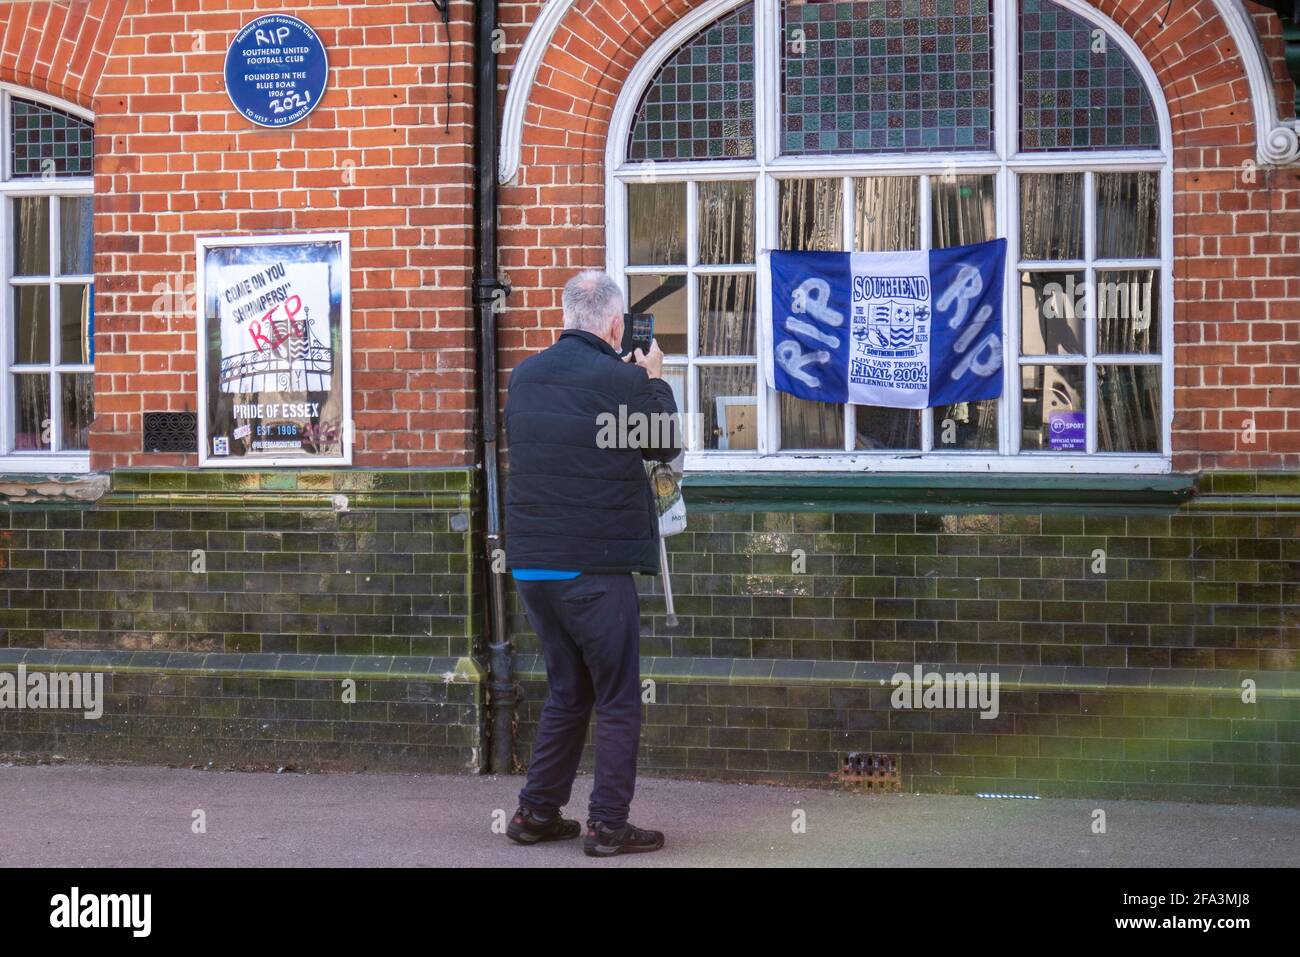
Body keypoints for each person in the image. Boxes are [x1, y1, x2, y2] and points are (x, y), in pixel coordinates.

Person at [502, 269, 681, 857]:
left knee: (567, 691)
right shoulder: (622, 380)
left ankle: (535, 814)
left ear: (566, 316)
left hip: (532, 568)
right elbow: (663, 442)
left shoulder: (524, 378)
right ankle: (608, 824)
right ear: (613, 323)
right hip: (594, 570)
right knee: (619, 697)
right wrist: (653, 378)